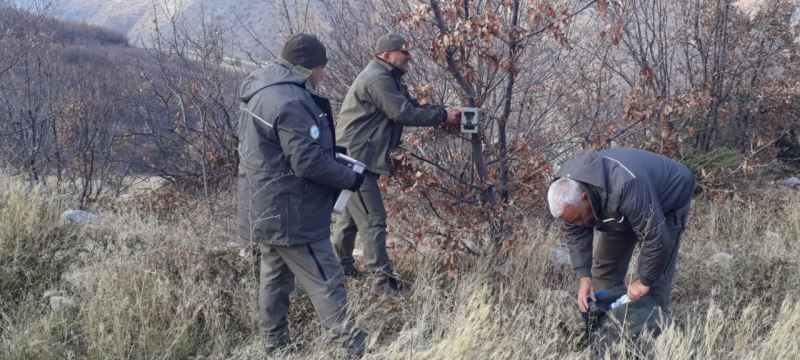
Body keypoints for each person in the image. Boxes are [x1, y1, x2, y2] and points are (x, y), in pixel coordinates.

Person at [237, 33, 367, 355]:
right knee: (326, 278)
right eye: (322, 68)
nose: (323, 75)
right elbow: (307, 162)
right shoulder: (292, 100)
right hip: (293, 212)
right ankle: (355, 347)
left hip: (264, 206)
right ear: (309, 67)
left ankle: (275, 345)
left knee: (275, 278)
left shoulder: (261, 91)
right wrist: (349, 177)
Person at [331, 33, 462, 295]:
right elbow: (403, 113)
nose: (409, 57)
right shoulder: (378, 78)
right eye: (404, 52)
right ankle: (382, 283)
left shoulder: (387, 77)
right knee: (373, 219)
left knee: (351, 219)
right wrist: (443, 116)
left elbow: (410, 105)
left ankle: (339, 270)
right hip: (356, 161)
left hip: (353, 157)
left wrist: (442, 111)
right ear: (386, 55)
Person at [547, 147, 695, 342]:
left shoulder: (626, 185)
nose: (578, 224)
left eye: (578, 218)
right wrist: (584, 277)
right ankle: (611, 332)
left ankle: (658, 340)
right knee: (604, 271)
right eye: (570, 221)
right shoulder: (568, 191)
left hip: (669, 196)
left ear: (584, 197)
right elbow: (575, 231)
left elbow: (656, 239)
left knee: (654, 283)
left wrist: (643, 281)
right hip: (618, 208)